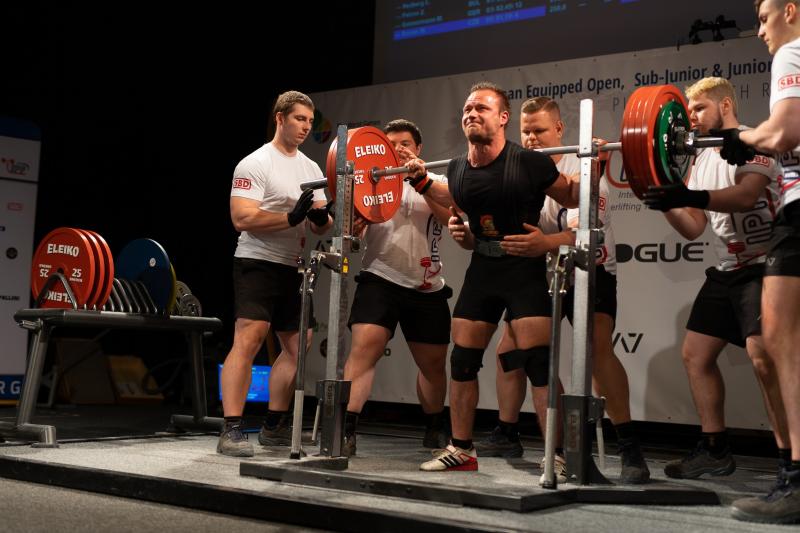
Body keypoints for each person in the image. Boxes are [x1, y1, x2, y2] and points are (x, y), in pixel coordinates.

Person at [467, 96, 649, 484]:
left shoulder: (580, 168)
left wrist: (545, 244)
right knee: (509, 353)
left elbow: (585, 234)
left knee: (597, 352)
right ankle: (507, 433)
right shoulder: (516, 168)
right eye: (526, 132)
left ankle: (630, 448)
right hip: (544, 273)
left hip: (590, 270)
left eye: (540, 131)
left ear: (559, 130)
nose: (532, 139)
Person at [414, 81, 580, 472]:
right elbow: (457, 201)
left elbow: (573, 197)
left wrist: (597, 163)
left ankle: (559, 454)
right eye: (467, 109)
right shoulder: (457, 168)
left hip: (524, 268)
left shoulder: (530, 163)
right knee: (462, 360)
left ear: (503, 118)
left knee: (538, 363)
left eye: (482, 108)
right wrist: (424, 185)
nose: (472, 114)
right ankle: (462, 449)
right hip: (483, 269)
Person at [642, 77, 789, 486]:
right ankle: (715, 450)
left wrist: (687, 197)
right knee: (696, 355)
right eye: (688, 111)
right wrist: (666, 201)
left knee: (764, 360)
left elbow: (745, 196)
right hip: (727, 269)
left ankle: (788, 462)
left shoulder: (754, 142)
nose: (691, 118)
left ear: (725, 105)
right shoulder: (700, 159)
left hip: (765, 266)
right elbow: (693, 227)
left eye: (699, 109)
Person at [711, 0, 800, 523]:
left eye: (765, 17)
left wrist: (741, 139)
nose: (760, 29)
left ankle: (797, 481)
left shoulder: (792, 51)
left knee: (783, 345)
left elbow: (783, 132)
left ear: (790, 10)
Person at [218, 90, 332, 457]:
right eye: (299, 119)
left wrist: (320, 218)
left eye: (310, 121)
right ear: (280, 118)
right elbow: (241, 218)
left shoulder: (311, 169)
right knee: (249, 339)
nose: (306, 127)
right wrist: (290, 217)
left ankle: (273, 425)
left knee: (300, 346)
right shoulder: (254, 163)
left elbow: (320, 225)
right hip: (257, 261)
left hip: (293, 267)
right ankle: (231, 428)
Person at [341, 119, 452, 456]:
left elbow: (449, 218)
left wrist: (420, 181)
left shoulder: (438, 182)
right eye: (392, 145)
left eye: (405, 144)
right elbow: (350, 233)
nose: (399, 149)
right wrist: (354, 225)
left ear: (419, 149)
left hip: (426, 286)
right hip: (380, 278)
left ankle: (434, 426)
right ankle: (345, 430)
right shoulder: (369, 183)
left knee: (433, 366)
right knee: (363, 353)